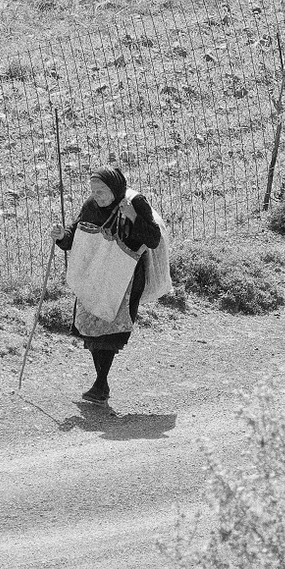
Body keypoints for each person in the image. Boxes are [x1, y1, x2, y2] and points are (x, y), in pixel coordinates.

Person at [48, 164, 170, 404]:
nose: (97, 196)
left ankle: (100, 383)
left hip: (126, 276)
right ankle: (100, 383)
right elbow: (76, 235)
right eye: (93, 191)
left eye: (102, 191)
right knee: (92, 325)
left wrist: (133, 217)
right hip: (97, 274)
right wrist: (62, 236)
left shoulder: (135, 203)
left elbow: (153, 239)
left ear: (115, 189)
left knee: (111, 327)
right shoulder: (91, 206)